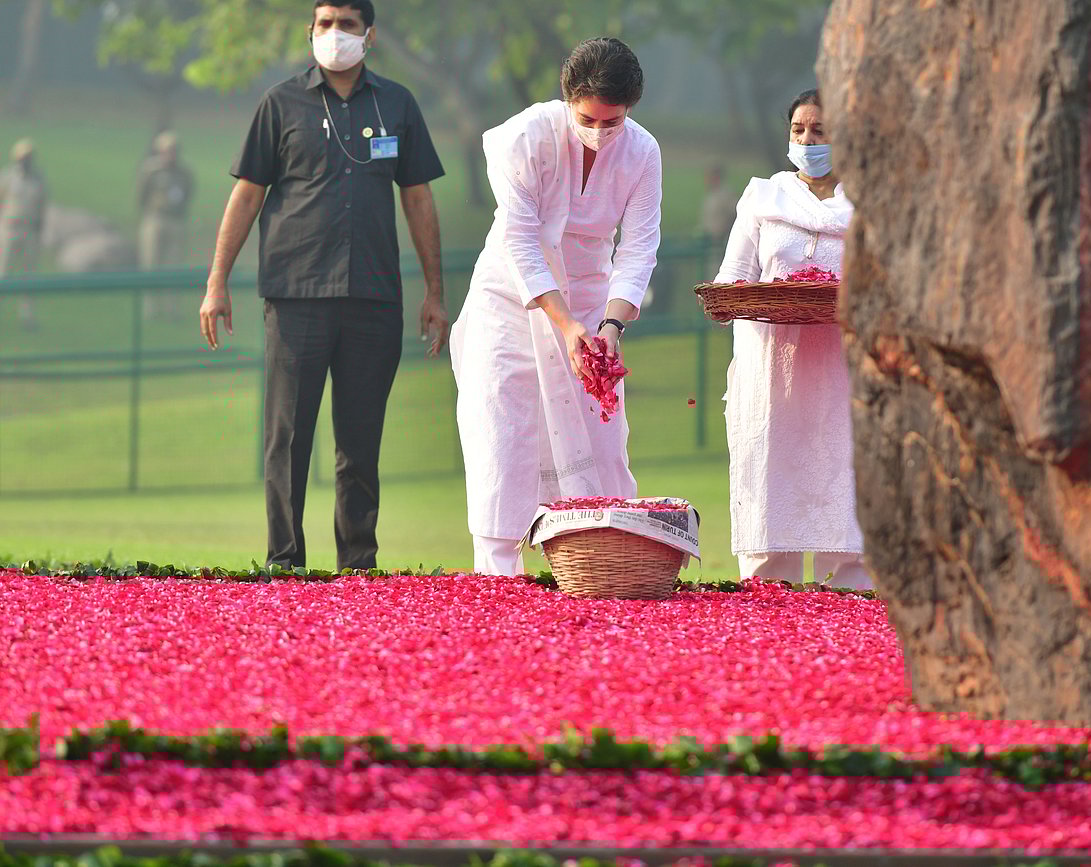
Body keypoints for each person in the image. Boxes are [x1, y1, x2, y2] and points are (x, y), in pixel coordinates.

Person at [198, 0, 449, 571]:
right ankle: (284, 561)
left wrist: (434, 292)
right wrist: (217, 282)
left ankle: (357, 563)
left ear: (370, 35)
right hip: (295, 296)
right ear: (310, 31)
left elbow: (418, 198)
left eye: (348, 25)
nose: (335, 34)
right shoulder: (280, 103)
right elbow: (246, 195)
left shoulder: (397, 104)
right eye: (325, 24)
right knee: (287, 439)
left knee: (360, 441)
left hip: (374, 296)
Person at [450, 37, 662, 577]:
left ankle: (603, 572)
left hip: (593, 301)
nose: (600, 132)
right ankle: (500, 575)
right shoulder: (525, 137)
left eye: (613, 121)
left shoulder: (642, 151)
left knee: (602, 439)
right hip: (511, 302)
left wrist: (609, 327)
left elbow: (638, 248)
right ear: (568, 99)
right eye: (589, 118)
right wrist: (562, 322)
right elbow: (520, 238)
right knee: (503, 431)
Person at [714, 89, 872, 590]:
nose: (807, 140)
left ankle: (851, 601)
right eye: (798, 130)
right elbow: (733, 279)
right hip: (772, 373)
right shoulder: (765, 197)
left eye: (820, 131)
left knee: (846, 489)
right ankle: (768, 605)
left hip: (846, 372)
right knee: (769, 486)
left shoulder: (873, 202)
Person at [137, 130, 194, 318]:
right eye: (167, 150)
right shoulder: (151, 170)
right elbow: (141, 194)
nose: (171, 154)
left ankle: (172, 309)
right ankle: (150, 309)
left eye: (174, 150)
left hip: (176, 220)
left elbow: (188, 193)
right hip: (155, 219)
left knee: (174, 265)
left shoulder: (184, 172)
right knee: (151, 263)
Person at [0, 139, 48, 331]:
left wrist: (39, 229)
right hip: (10, 229)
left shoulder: (39, 179)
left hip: (30, 231)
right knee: (4, 273)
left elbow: (43, 205)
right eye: (23, 157)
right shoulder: (8, 177)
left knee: (29, 275)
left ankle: (27, 316)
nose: (26, 161)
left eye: (29, 157)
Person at [698, 164, 737, 275]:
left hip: (722, 246)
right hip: (709, 245)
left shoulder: (726, 194)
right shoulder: (710, 195)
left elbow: (735, 215)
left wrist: (725, 234)